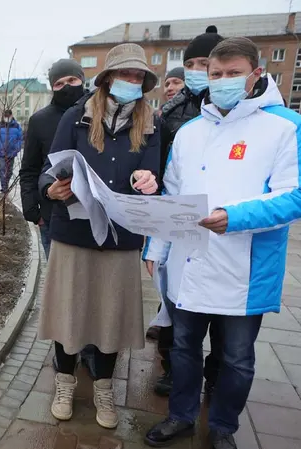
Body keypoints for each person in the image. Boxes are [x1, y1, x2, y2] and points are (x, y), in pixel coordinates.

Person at [143, 37, 301, 449]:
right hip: (188, 263)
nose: (223, 81)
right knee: (184, 349)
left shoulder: (284, 126)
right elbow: (173, 194)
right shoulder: (193, 130)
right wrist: (156, 247)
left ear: (255, 75)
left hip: (243, 270)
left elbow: (295, 196)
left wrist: (234, 217)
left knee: (235, 358)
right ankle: (180, 416)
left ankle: (223, 427)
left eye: (233, 73)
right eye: (216, 74)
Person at [38, 43, 160, 428]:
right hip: (73, 232)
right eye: (125, 74)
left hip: (120, 237)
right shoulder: (76, 116)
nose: (132, 81)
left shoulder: (150, 123)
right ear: (107, 78)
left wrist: (148, 179)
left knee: (110, 317)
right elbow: (49, 168)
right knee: (67, 313)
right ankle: (64, 382)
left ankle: (104, 389)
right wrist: (50, 188)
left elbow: (155, 173)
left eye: (139, 76)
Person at [148, 26, 225, 398]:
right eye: (190, 63)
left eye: (204, 63)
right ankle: (171, 366)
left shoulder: (236, 113)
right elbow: (165, 169)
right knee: (173, 299)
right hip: (176, 217)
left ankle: (215, 375)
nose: (196, 69)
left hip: (222, 224)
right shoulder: (173, 112)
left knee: (223, 315)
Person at [20, 59, 87, 256]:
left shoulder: (96, 113)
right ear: (52, 87)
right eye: (59, 83)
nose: (66, 87)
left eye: (72, 80)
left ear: (82, 80)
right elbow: (29, 169)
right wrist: (34, 212)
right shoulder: (40, 121)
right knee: (59, 283)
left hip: (91, 217)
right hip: (53, 217)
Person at [0, 110, 23, 194]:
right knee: (2, 170)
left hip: (12, 153)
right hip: (1, 153)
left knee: (9, 171)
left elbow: (20, 139)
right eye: (6, 116)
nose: (7, 118)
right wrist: (0, 149)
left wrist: (16, 149)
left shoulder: (17, 126)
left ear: (11, 116)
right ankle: (4, 188)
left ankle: (6, 184)